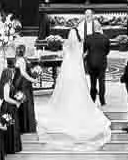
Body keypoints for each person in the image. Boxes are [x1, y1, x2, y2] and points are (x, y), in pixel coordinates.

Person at [37, 17, 114, 148]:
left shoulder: (68, 45)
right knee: (84, 89)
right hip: (78, 73)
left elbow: (66, 57)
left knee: (67, 91)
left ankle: (73, 104)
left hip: (68, 73)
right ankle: (100, 100)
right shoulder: (81, 43)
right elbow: (85, 56)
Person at [82, 18, 111, 105]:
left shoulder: (88, 38)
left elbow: (85, 50)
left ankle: (92, 100)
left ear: (93, 28)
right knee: (102, 82)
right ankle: (102, 101)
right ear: (100, 28)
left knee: (93, 82)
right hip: (102, 63)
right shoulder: (105, 38)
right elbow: (107, 51)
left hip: (91, 63)